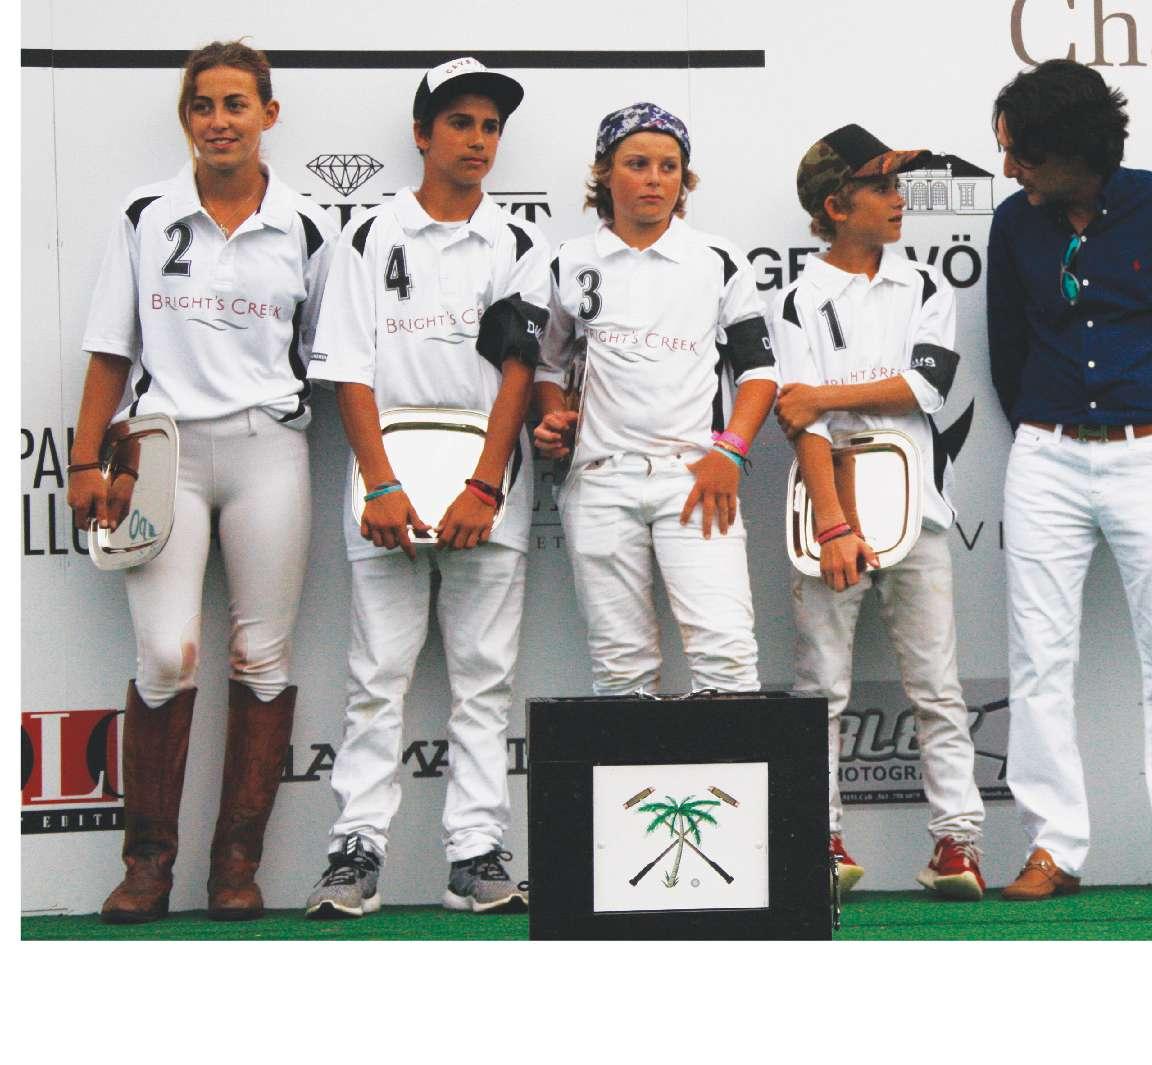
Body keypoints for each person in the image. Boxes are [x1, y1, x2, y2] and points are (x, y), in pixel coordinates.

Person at [71, 40, 335, 922]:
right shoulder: (145, 213)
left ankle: (235, 868)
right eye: (203, 106)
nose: (219, 122)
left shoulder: (309, 225)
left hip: (269, 451)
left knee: (263, 656)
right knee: (165, 655)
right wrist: (84, 460)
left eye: (235, 104)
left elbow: (336, 355)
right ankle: (147, 866)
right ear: (186, 117)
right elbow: (110, 347)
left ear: (269, 113)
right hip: (163, 453)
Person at [986, 58, 1152, 898]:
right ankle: (1052, 848)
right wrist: (1050, 423)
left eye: (1021, 153)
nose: (1009, 168)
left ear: (1071, 149)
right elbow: (1006, 350)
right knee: (1038, 658)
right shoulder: (1013, 224)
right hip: (1047, 456)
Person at [302, 58, 546, 918]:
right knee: (377, 676)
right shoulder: (368, 235)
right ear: (421, 133)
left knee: (484, 679)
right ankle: (354, 853)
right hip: (389, 489)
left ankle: (475, 854)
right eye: (459, 123)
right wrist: (379, 484)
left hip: (486, 489)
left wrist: (484, 484)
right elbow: (349, 369)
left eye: (490, 126)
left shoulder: (519, 243)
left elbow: (520, 370)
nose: (478, 140)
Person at [772, 123, 987, 901]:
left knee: (937, 684)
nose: (900, 200)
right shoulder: (794, 297)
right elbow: (800, 423)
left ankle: (957, 843)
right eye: (882, 187)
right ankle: (822, 839)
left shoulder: (925, 285)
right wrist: (834, 524)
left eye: (898, 185)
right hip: (827, 504)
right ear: (836, 205)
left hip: (915, 504)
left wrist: (825, 395)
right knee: (822, 686)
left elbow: (923, 388)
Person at [532, 103, 777, 696]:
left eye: (669, 167)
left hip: (694, 477)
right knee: (622, 671)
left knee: (726, 657)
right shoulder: (569, 261)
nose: (654, 179)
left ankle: (728, 766)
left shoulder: (717, 259)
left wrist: (731, 453)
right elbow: (548, 363)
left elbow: (760, 371)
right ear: (604, 173)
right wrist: (551, 416)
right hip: (599, 481)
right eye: (637, 164)